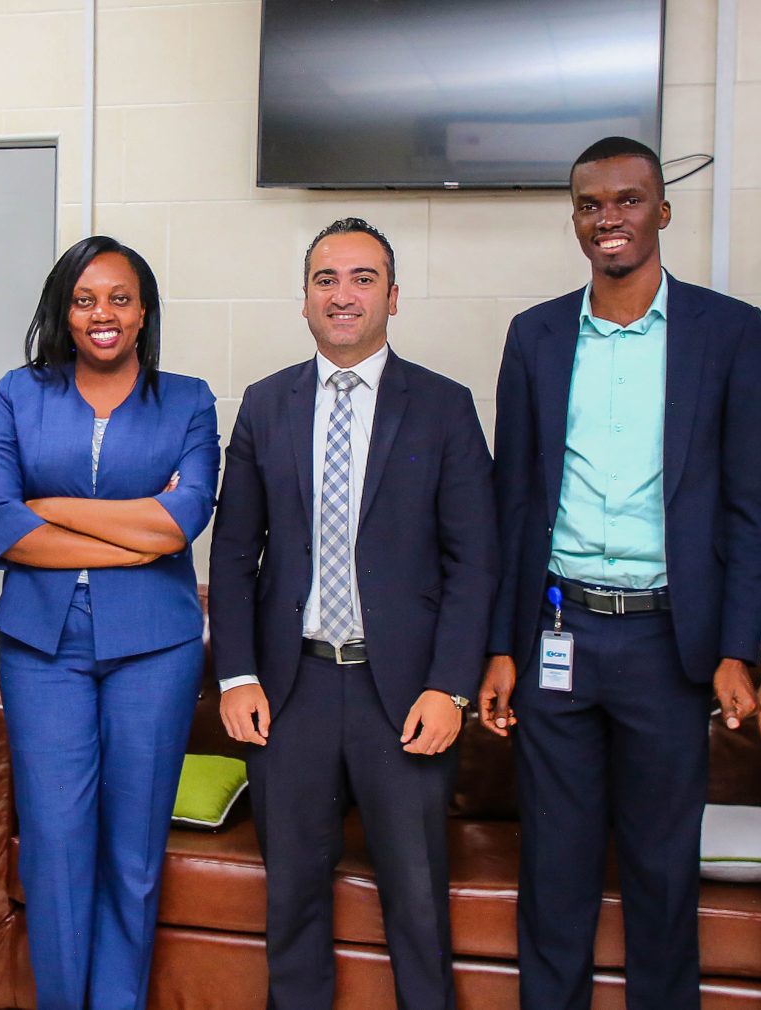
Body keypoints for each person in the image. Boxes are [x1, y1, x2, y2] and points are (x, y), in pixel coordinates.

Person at [479, 136, 761, 1010]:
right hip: (558, 635)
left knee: (661, 871)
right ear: (575, 220)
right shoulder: (534, 335)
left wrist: (737, 648)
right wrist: (500, 647)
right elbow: (512, 503)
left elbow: (748, 507)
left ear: (662, 211)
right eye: (590, 204)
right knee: (554, 871)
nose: (608, 218)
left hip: (668, 644)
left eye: (628, 200)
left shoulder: (727, 332)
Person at [210, 217, 494, 1010]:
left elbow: (476, 561)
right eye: (326, 279)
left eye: (363, 279)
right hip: (290, 689)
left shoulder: (443, 406)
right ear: (303, 298)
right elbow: (233, 555)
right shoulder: (266, 404)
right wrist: (236, 675)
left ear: (393, 297)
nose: (344, 295)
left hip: (403, 694)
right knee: (292, 901)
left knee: (417, 902)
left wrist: (452, 687)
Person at [0, 236, 220, 1010]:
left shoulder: (189, 400)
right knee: (54, 845)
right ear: (65, 311)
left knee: (134, 851)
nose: (102, 313)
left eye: (119, 298)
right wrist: (135, 531)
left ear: (144, 312)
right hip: (42, 649)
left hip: (157, 650)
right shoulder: (20, 393)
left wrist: (52, 509)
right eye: (84, 300)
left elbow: (181, 523)